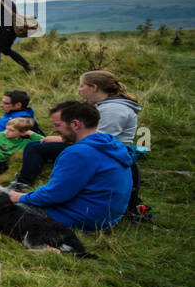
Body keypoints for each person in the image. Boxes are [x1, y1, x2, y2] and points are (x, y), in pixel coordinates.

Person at [0, 101, 131, 231]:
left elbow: (54, 196)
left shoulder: (78, 152)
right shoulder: (110, 144)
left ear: (76, 124)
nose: (55, 132)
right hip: (106, 216)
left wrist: (20, 197)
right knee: (8, 195)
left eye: (58, 126)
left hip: (83, 219)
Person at [9, 70, 145, 218]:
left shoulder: (113, 111)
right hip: (103, 211)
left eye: (81, 86)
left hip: (85, 216)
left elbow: (56, 194)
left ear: (94, 87)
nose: (79, 90)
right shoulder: (106, 107)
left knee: (35, 149)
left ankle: (22, 184)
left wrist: (22, 198)